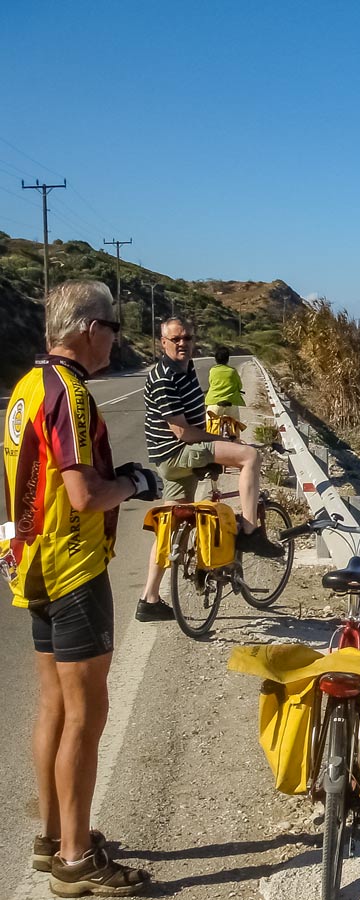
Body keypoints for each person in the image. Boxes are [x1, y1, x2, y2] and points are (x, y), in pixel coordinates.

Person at [2, 280, 157, 896]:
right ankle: (75, 858)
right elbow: (84, 494)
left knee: (54, 707)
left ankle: (51, 837)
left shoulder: (24, 387)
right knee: (87, 715)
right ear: (89, 328)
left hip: (31, 563)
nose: (117, 338)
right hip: (72, 569)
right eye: (114, 327)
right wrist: (135, 483)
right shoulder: (70, 393)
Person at [136, 317, 282, 622]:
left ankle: (148, 599)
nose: (182, 344)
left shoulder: (185, 369)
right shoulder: (164, 376)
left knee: (169, 526)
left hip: (176, 458)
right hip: (179, 453)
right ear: (162, 343)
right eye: (175, 339)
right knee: (249, 457)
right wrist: (221, 440)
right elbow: (183, 433)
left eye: (187, 338)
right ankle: (251, 531)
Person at [204, 345, 244, 419]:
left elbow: (211, 383)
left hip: (214, 402)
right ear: (227, 359)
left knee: (210, 425)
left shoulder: (212, 371)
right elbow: (239, 386)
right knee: (235, 425)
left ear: (216, 359)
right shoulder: (232, 371)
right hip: (231, 402)